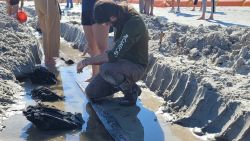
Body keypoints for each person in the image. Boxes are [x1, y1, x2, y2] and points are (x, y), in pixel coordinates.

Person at [77, 0, 149, 106]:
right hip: (120, 63)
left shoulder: (134, 23)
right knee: (91, 93)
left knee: (106, 68)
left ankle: (131, 92)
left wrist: (86, 62)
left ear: (112, 18)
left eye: (106, 23)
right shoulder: (117, 15)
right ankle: (130, 86)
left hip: (136, 65)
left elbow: (113, 55)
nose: (107, 26)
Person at [81, 0, 110, 82]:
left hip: (101, 7)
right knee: (92, 46)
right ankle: (95, 75)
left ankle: (105, 78)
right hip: (86, 7)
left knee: (102, 47)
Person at [34, 0, 61, 66]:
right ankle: (52, 59)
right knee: (53, 29)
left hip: (38, 2)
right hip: (48, 2)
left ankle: (47, 58)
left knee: (45, 30)